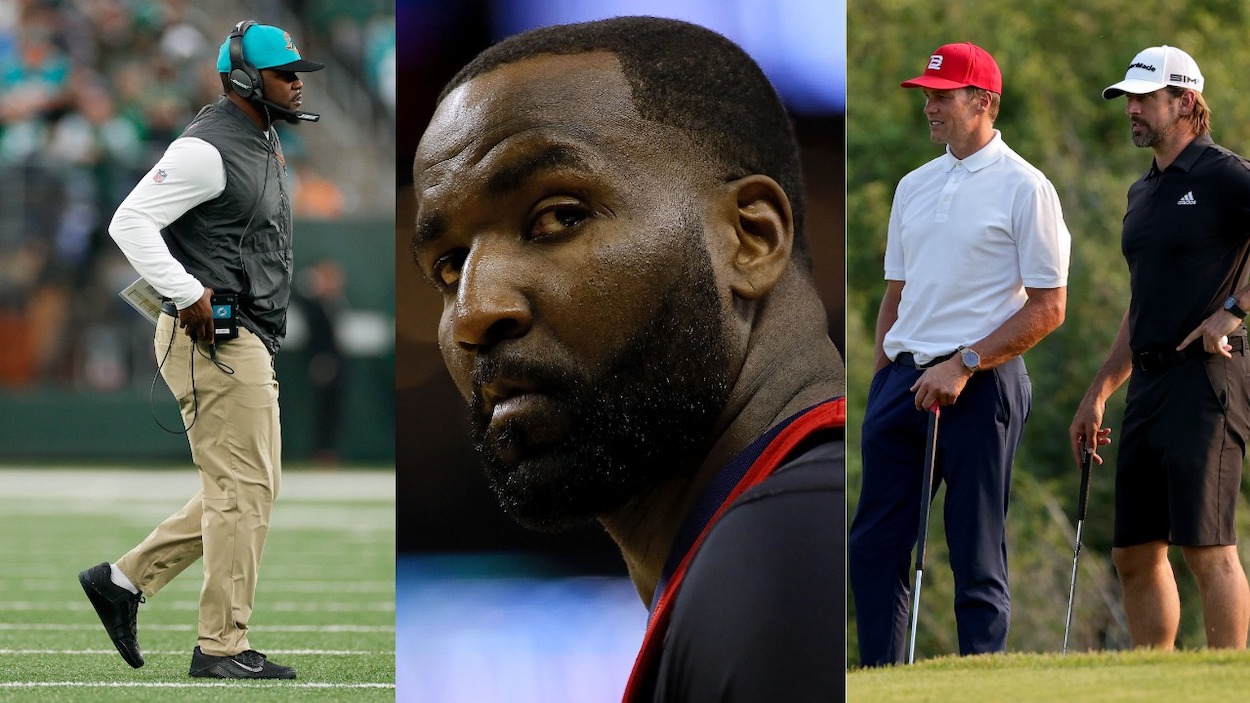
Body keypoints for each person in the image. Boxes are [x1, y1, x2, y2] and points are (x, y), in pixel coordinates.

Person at [409, 16, 845, 701]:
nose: (471, 312)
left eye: (558, 216)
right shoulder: (767, 539)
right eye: (448, 264)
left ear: (751, 239)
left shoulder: (790, 553)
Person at [77, 20, 323, 679]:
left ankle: (123, 581)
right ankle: (221, 646)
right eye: (286, 73)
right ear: (247, 79)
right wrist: (185, 292)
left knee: (246, 487)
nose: (297, 84)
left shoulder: (258, 138)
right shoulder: (207, 148)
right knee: (243, 489)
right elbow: (128, 220)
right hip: (213, 334)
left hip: (240, 335)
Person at [848, 42, 1070, 666]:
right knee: (874, 548)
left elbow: (1049, 307)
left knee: (975, 552)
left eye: (942, 95)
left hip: (983, 384)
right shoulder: (914, 185)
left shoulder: (1027, 187)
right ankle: (880, 679)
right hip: (903, 384)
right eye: (927, 94)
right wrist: (883, 376)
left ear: (983, 102)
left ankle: (978, 678)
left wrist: (964, 364)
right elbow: (897, 291)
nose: (929, 105)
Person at [1070, 45, 1250, 650]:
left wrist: (1234, 310)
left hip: (1207, 378)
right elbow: (1141, 302)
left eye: (1145, 98)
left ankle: (1227, 680)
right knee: (1134, 552)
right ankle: (1157, 682)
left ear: (1185, 102)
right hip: (1146, 384)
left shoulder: (1225, 174)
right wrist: (1099, 391)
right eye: (1129, 99)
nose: (1133, 110)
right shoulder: (1141, 193)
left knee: (1207, 547)